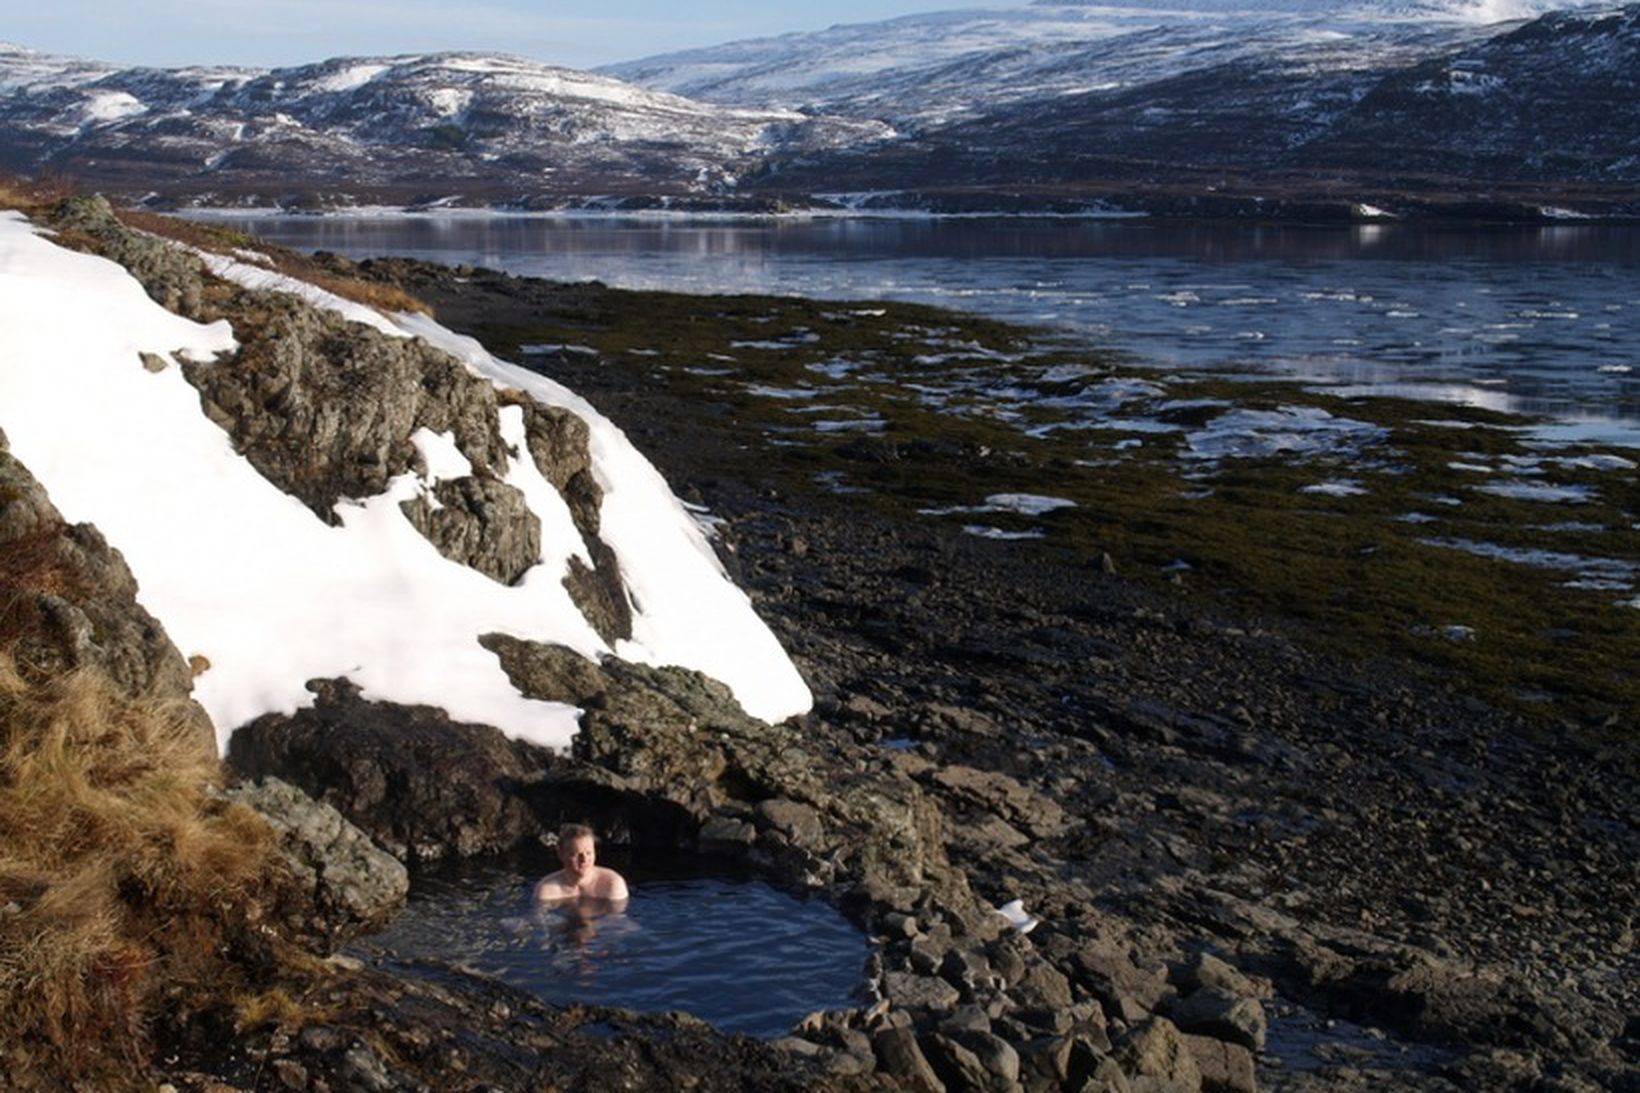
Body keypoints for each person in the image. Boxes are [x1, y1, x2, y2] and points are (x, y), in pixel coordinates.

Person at [533, 823, 629, 904]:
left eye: (589, 853)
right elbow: (540, 922)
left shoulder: (612, 885)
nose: (584, 859)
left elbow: (618, 922)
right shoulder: (547, 890)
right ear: (561, 854)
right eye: (577, 854)